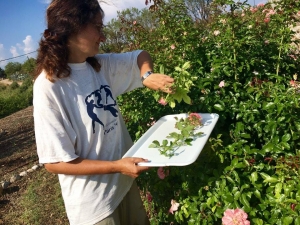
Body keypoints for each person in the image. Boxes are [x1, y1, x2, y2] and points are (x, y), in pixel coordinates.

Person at [33, 0, 174, 225]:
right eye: (97, 28)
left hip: (122, 187)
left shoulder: (98, 66)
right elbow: (55, 163)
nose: (103, 37)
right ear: (70, 28)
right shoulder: (50, 86)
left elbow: (140, 56)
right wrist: (117, 166)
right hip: (95, 207)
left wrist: (147, 76)